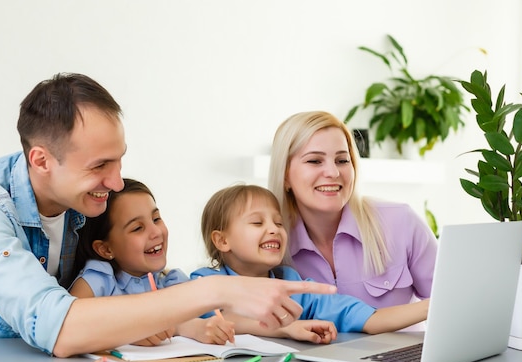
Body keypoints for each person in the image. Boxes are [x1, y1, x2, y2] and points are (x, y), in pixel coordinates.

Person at [0, 74, 336, 362]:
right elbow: (57, 325)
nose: (115, 183)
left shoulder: (76, 201)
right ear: (41, 161)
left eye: (118, 162)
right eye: (99, 167)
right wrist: (216, 289)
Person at [190, 184, 429, 343]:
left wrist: (433, 306)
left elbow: (364, 317)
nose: (273, 229)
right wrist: (284, 328)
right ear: (222, 240)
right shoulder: (202, 283)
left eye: (278, 223)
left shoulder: (293, 284)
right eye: (257, 223)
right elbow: (219, 319)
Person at [268, 110, 437, 308]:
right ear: (285, 175)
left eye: (342, 160)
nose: (333, 172)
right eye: (314, 161)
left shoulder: (400, 221)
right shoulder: (270, 243)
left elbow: (454, 302)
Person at [70, 177, 235, 345]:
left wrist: (204, 327)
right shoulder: (99, 279)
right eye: (137, 228)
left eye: (156, 219)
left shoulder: (173, 284)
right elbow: (67, 325)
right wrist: (127, 331)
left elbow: (190, 322)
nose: (156, 232)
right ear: (106, 249)